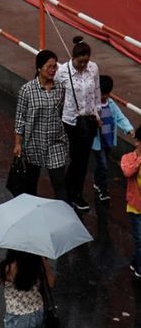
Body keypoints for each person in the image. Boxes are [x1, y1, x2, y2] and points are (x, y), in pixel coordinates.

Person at [14, 49, 68, 201]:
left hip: (56, 142)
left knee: (59, 182)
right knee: (31, 183)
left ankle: (64, 213)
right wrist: (18, 143)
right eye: (49, 67)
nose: (53, 70)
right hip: (33, 144)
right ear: (39, 68)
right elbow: (20, 118)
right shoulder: (27, 90)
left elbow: (61, 111)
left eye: (55, 67)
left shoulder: (60, 88)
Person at [55, 36, 101, 212]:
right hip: (71, 121)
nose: (83, 65)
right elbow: (58, 95)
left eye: (85, 61)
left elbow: (96, 92)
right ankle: (71, 192)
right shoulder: (63, 72)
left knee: (83, 159)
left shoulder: (93, 68)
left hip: (89, 120)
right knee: (77, 158)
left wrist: (97, 113)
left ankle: (73, 192)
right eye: (80, 62)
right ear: (73, 58)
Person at [91, 75, 134, 202]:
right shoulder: (92, 105)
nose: (104, 96)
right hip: (98, 141)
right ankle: (102, 189)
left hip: (108, 140)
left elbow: (120, 117)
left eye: (106, 94)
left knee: (102, 165)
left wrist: (129, 128)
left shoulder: (111, 104)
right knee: (103, 165)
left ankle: (98, 181)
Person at [121, 126, 141, 280]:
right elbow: (128, 172)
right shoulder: (128, 158)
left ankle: (136, 262)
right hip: (135, 208)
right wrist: (139, 158)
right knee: (140, 239)